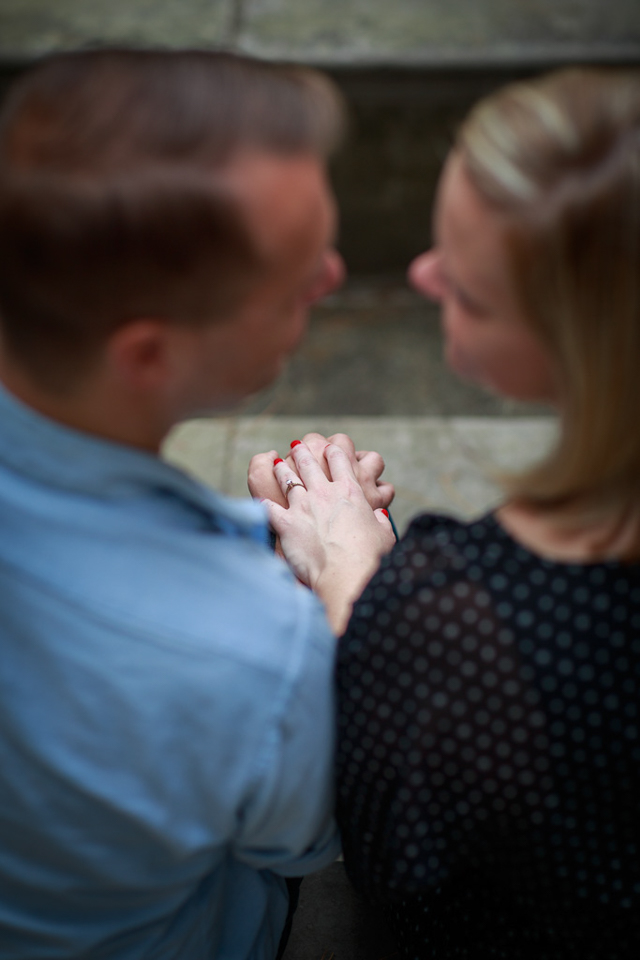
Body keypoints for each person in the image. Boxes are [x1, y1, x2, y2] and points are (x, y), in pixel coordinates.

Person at [0, 49, 396, 959]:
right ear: (148, 357)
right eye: (296, 280)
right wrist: (344, 588)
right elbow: (316, 839)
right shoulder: (251, 655)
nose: (334, 276)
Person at [250, 67, 640, 957]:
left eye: (467, 289)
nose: (422, 274)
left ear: (577, 343)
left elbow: (401, 863)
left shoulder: (471, 611)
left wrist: (351, 570)